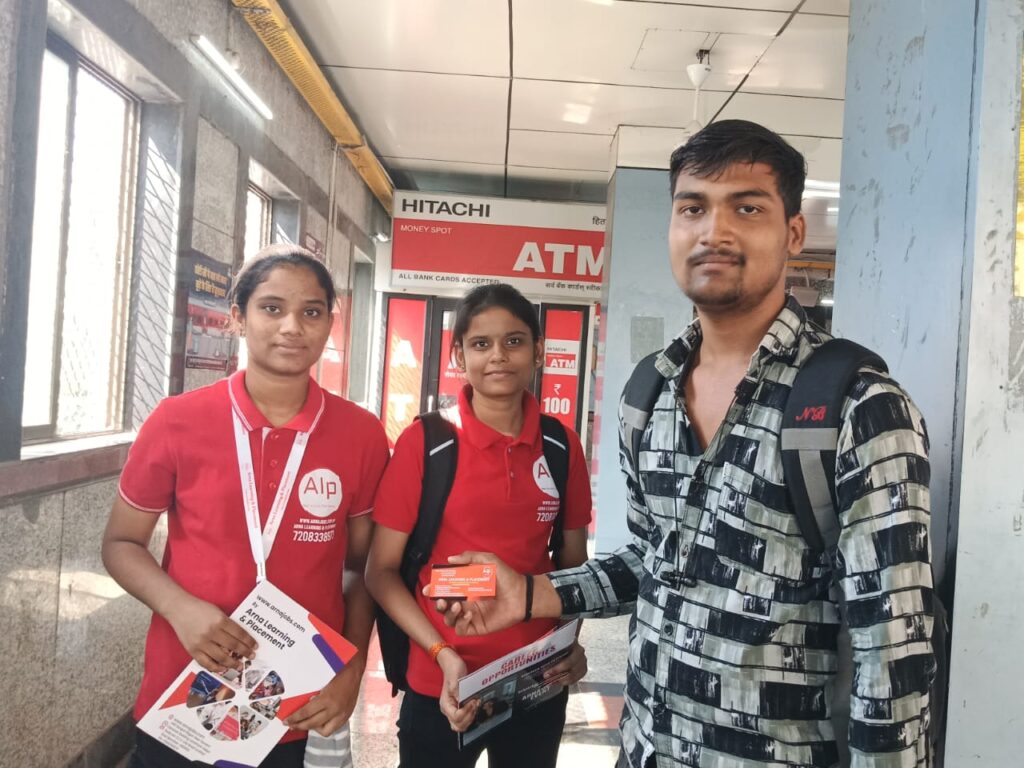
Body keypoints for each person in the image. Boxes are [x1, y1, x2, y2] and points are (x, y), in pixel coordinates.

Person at [434, 120, 937, 768]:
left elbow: (894, 652)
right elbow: (653, 560)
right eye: (693, 208)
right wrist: (529, 595)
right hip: (643, 749)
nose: (713, 231)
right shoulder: (649, 393)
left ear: (793, 233)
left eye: (746, 208)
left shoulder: (859, 406)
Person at [102, 244, 389, 768]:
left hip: (301, 700)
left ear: (330, 323)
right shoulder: (176, 421)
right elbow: (121, 543)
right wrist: (180, 609)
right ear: (237, 317)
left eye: (311, 312)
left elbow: (362, 568)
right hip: (183, 696)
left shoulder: (362, 434)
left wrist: (349, 668)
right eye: (272, 308)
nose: (292, 327)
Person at [366, 283, 593, 768]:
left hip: (536, 680)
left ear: (538, 350)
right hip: (442, 682)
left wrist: (570, 642)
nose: (498, 356)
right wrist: (442, 653)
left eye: (514, 341)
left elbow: (574, 566)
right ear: (459, 355)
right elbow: (380, 572)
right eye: (481, 343)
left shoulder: (561, 445)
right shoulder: (426, 442)